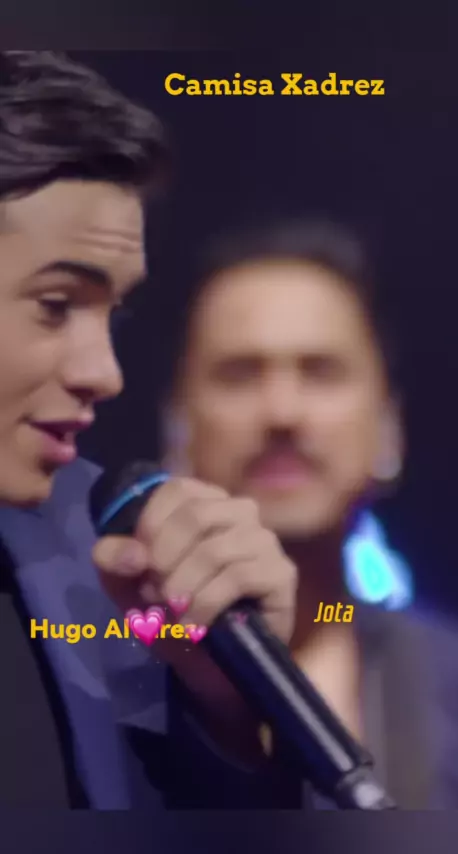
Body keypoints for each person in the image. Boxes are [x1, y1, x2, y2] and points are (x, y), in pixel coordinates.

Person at [0, 51, 298, 809]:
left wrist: (229, 711)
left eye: (113, 313)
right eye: (56, 305)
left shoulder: (106, 558)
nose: (105, 373)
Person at [154, 216, 458, 808]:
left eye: (321, 371)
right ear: (178, 429)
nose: (282, 412)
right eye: (239, 374)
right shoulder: (101, 683)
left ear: (388, 428)